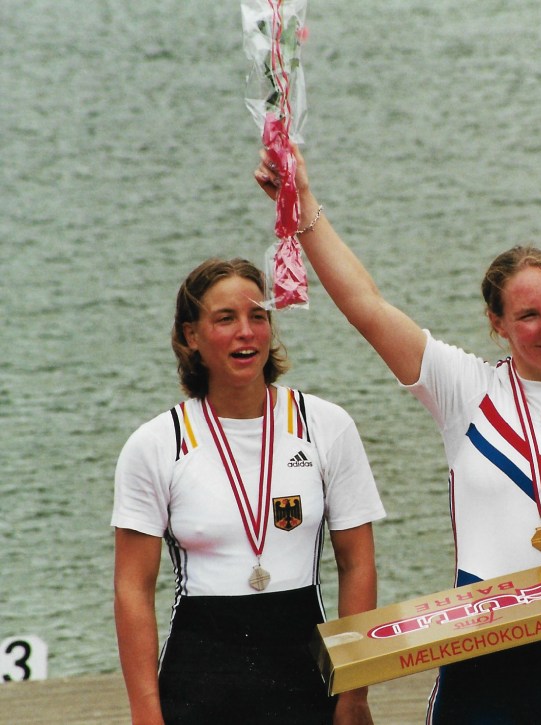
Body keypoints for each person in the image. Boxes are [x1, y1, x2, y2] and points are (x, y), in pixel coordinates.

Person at [255, 148, 541, 724]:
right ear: (497, 325)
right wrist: (303, 202)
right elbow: (366, 306)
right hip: (479, 658)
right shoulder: (464, 390)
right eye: (527, 316)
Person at [112, 258, 386, 725]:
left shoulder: (325, 426)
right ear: (190, 336)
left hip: (307, 675)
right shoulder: (155, 445)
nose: (247, 331)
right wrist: (145, 713)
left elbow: (356, 563)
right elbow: (132, 589)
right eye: (225, 319)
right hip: (199, 681)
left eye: (258, 316)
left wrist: (354, 695)